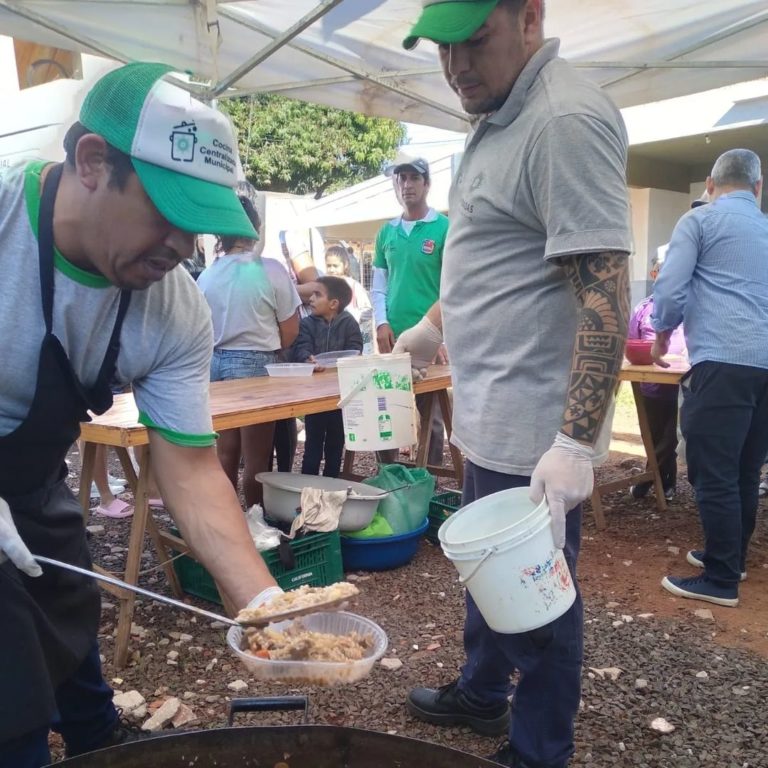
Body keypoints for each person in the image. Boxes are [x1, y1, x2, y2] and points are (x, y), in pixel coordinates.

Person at [0, 62, 285, 767]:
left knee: (68, 612)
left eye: (200, 229)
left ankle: (99, 741)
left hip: (33, 486)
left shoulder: (177, 310)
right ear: (93, 161)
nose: (182, 250)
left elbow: (188, 472)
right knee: (11, 695)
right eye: (169, 214)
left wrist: (266, 612)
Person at [394, 3, 632, 767]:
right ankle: (482, 691)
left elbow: (605, 289)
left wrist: (573, 443)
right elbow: (489, 256)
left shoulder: (562, 119)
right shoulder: (498, 117)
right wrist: (433, 326)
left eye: (475, 39)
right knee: (483, 569)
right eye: (443, 46)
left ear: (528, 16)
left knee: (540, 603)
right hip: (489, 412)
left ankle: (537, 752)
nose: (457, 63)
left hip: (537, 429)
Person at [652, 148, 768, 608]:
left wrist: (662, 334)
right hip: (764, 367)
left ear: (710, 184)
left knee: (713, 471)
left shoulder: (699, 222)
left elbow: (671, 287)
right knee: (744, 467)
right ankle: (730, 557)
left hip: (723, 360)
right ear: (758, 188)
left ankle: (721, 580)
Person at [197, 196, 301, 507]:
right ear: (254, 228)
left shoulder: (207, 275)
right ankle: (257, 519)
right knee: (257, 457)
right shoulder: (270, 269)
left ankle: (226, 518)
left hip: (214, 362)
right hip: (255, 360)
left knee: (226, 451)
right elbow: (291, 329)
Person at [372, 156, 448, 467]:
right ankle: (388, 476)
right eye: (400, 178)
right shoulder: (385, 233)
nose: (406, 185)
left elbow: (451, 287)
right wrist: (381, 322)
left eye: (413, 178)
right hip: (394, 338)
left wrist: (441, 334)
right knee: (386, 410)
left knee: (431, 415)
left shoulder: (444, 228)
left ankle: (427, 481)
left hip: (431, 340)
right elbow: (379, 284)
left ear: (427, 183)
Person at [627, 249, 686, 502]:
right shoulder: (643, 308)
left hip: (683, 384)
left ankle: (650, 478)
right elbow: (632, 341)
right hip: (650, 383)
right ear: (654, 273)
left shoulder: (690, 304)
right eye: (663, 269)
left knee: (671, 436)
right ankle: (665, 482)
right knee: (652, 434)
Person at [291, 276, 363, 477]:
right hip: (315, 396)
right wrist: (308, 359)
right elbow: (301, 347)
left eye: (317, 294)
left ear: (333, 304)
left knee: (335, 445)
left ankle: (331, 487)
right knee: (312, 446)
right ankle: (307, 486)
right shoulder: (307, 324)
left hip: (340, 397)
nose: (311, 299)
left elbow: (356, 349)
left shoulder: (349, 324)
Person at [325, 244, 372, 324]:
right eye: (329, 266)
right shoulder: (324, 286)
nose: (332, 270)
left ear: (345, 264)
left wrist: (351, 316)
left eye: (335, 266)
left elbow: (367, 311)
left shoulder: (354, 286)